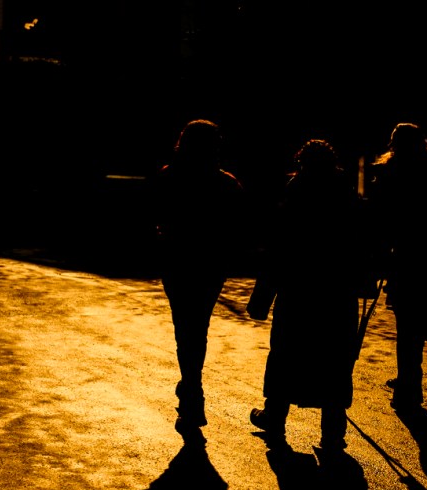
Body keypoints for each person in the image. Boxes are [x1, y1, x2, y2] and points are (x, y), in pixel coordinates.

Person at [246, 139, 370, 453]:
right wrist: (365, 282)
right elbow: (364, 247)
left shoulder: (293, 196)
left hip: (297, 290)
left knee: (287, 354)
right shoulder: (350, 200)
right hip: (337, 293)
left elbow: (277, 251)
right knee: (335, 358)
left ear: (302, 163)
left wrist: (262, 299)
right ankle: (332, 431)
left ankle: (274, 417)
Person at [152, 119, 247, 436]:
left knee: (185, 326)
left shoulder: (170, 176)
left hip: (178, 259)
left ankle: (191, 391)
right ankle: (191, 388)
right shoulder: (228, 184)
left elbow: (156, 216)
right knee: (199, 326)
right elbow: (238, 229)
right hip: (211, 263)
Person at [365, 122, 427, 412]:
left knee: (407, 321)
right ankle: (409, 378)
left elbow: (379, 220)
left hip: (404, 257)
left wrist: (378, 253)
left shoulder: (390, 177)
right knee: (414, 320)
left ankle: (409, 383)